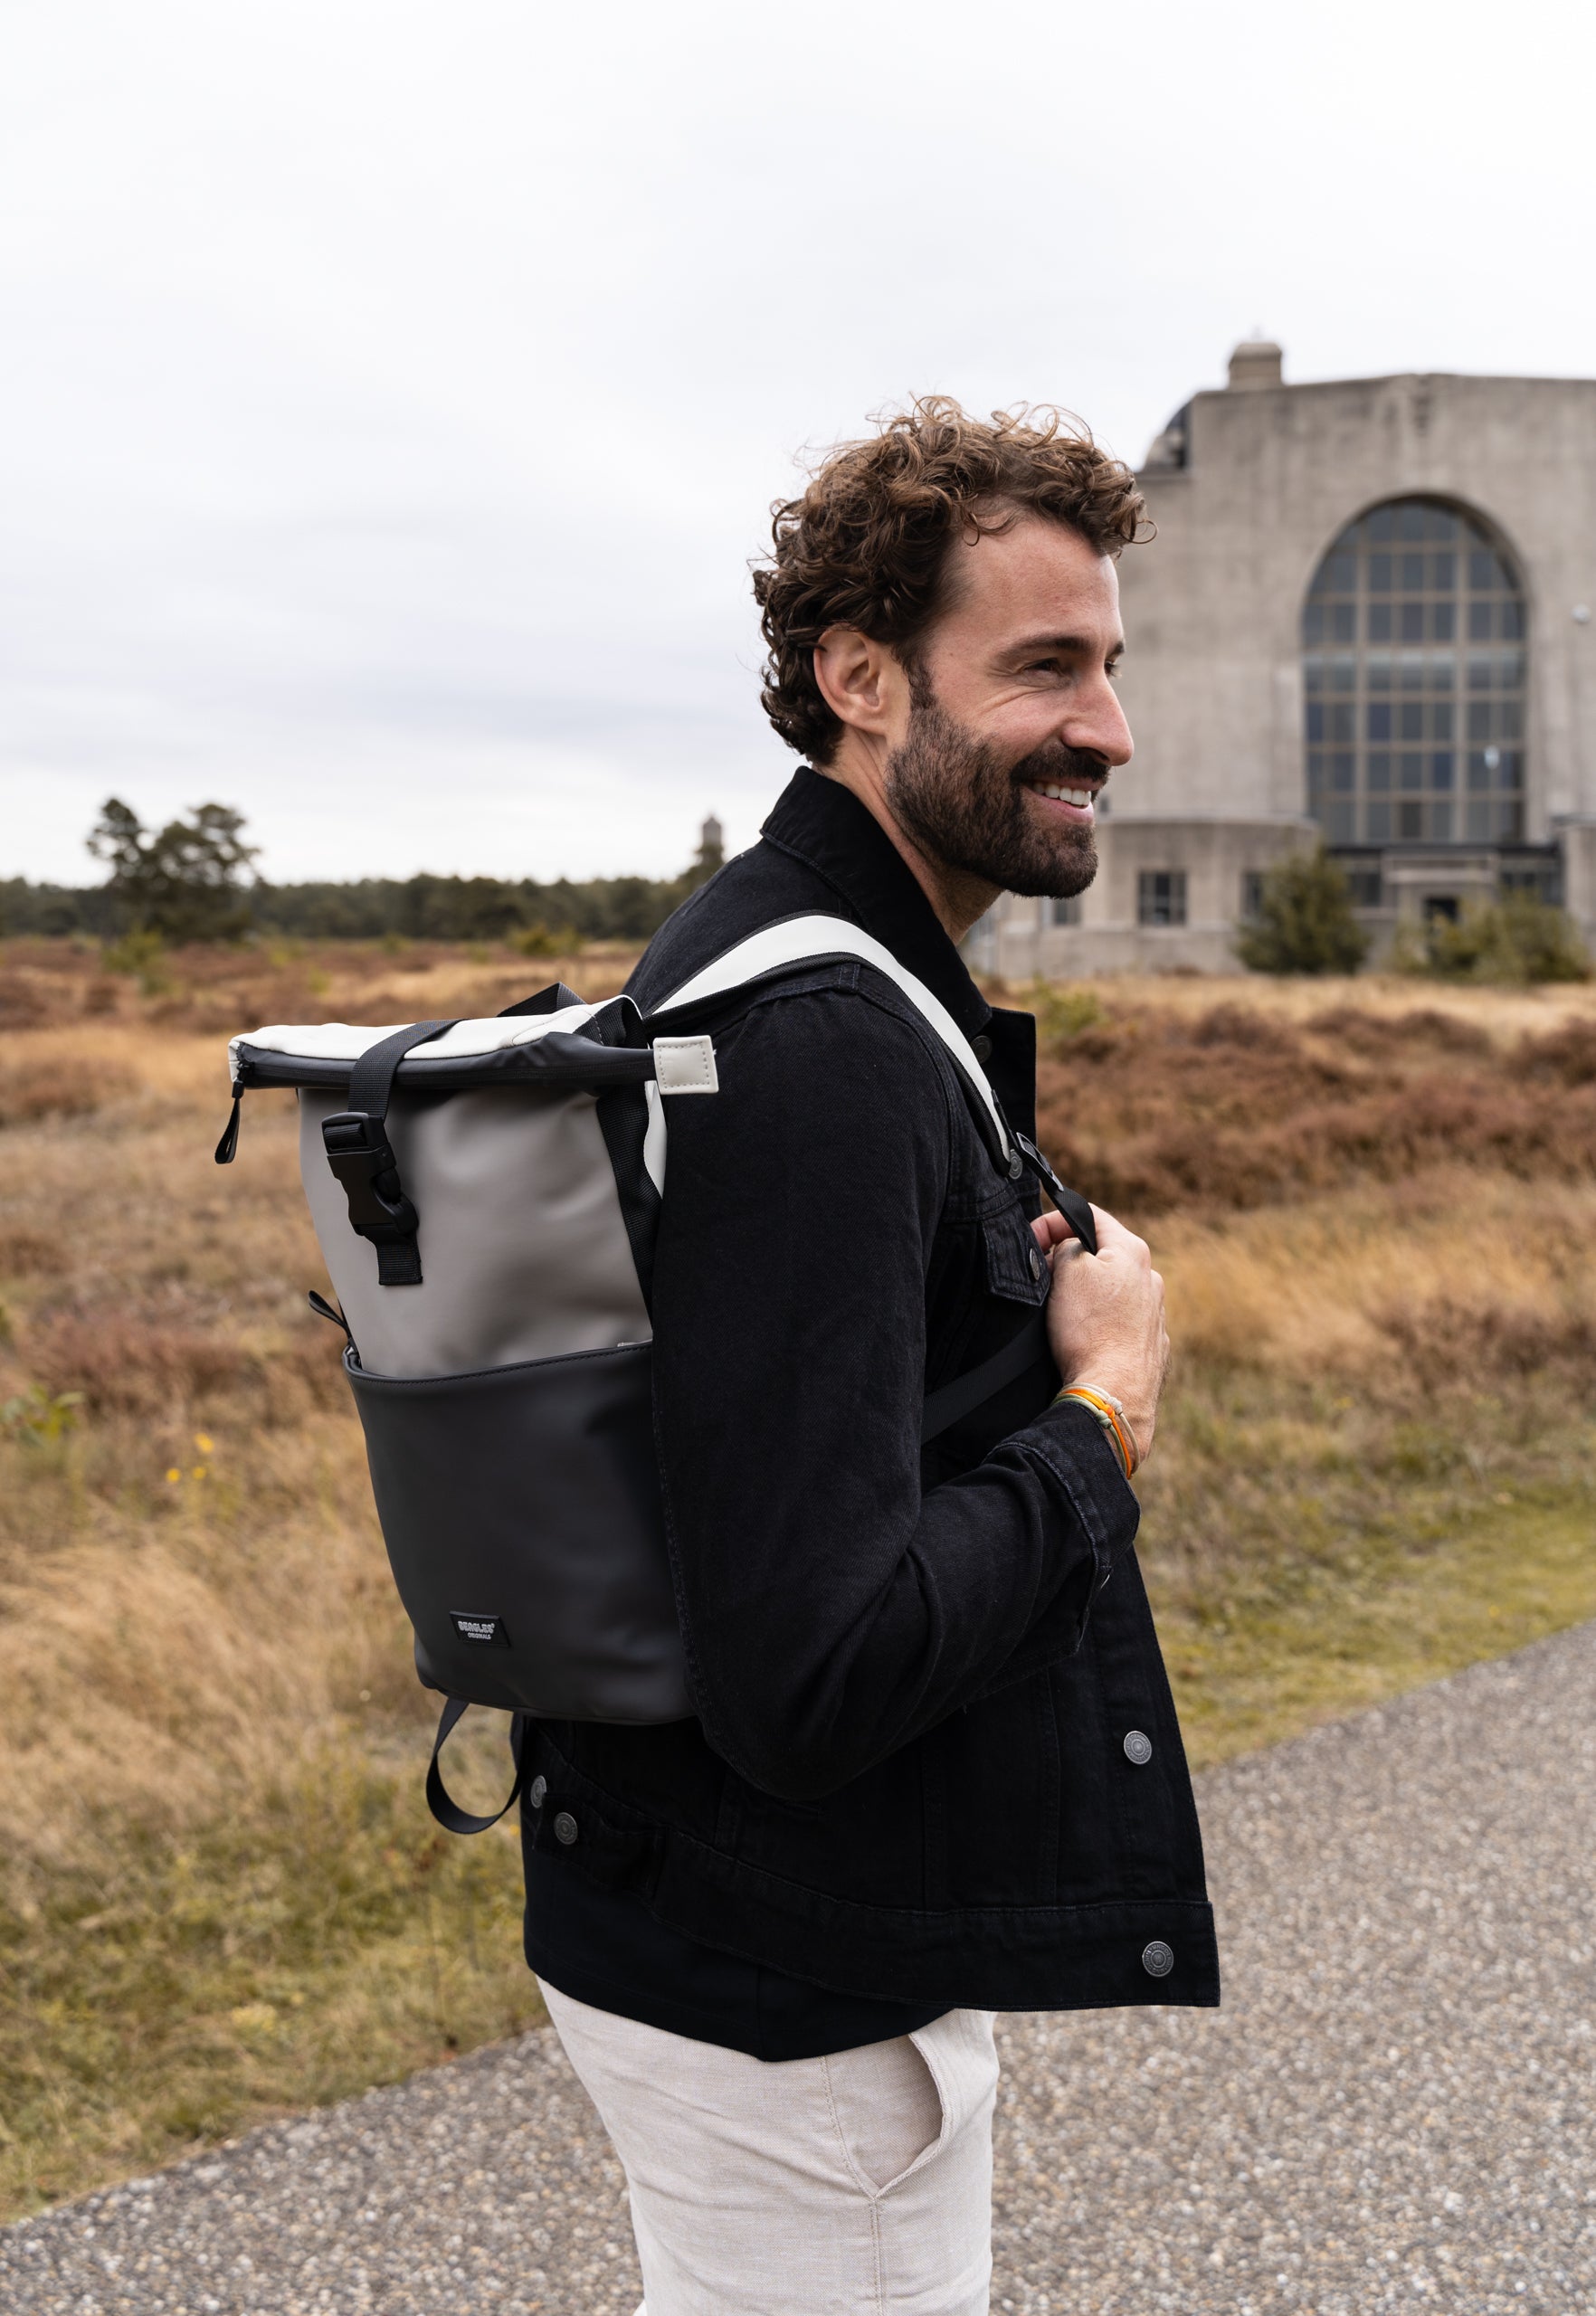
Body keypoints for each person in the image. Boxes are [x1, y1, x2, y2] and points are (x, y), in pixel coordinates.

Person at [520, 397, 1217, 2315]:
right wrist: (1108, 1407)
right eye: (1044, 667)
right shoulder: (823, 1042)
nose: (1109, 729)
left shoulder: (810, 964)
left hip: (724, 1923)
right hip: (785, 1997)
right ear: (859, 678)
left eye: (1112, 666)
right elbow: (809, 1672)